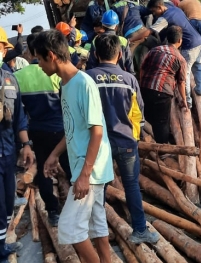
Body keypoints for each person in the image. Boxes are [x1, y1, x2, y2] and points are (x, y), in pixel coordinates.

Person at [36, 30, 113, 263]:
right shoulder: (66, 84)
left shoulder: (83, 83)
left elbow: (96, 131)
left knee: (70, 227)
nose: (38, 65)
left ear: (50, 55)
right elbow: (73, 128)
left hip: (91, 170)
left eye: (39, 59)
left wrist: (84, 175)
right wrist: (54, 155)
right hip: (87, 168)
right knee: (97, 225)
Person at [85, 34, 160, 244]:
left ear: (96, 54)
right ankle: (140, 230)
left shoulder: (87, 78)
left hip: (98, 145)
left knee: (99, 188)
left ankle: (98, 235)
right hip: (126, 142)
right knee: (132, 186)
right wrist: (134, 138)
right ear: (119, 55)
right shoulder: (129, 79)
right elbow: (138, 114)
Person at [14, 33, 72, 227]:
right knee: (72, 169)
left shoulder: (17, 78)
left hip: (37, 131)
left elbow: (19, 112)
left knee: (44, 172)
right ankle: (78, 205)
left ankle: (53, 212)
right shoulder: (55, 72)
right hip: (62, 131)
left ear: (29, 53)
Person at [0, 26, 34, 263]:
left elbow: (19, 115)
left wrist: (26, 145)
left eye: (1, 47)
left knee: (8, 202)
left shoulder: (10, 79)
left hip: (8, 152)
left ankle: (1, 245)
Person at [129, 0, 201, 108]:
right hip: (198, 40)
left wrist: (132, 39)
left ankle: (187, 102)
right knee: (197, 68)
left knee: (184, 75)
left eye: (154, 11)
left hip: (189, 46)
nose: (154, 14)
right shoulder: (175, 9)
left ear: (159, 7)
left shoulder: (164, 18)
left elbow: (148, 32)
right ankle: (199, 90)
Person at [140, 25, 188, 144]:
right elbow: (181, 82)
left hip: (145, 88)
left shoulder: (155, 50)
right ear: (180, 41)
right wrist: (184, 100)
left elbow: (142, 68)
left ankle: (146, 138)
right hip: (163, 92)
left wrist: (142, 83)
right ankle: (162, 149)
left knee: (147, 115)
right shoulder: (180, 59)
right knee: (162, 122)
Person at [86, 10, 135, 75]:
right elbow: (129, 64)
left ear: (103, 26)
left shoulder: (96, 40)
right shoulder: (124, 41)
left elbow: (92, 64)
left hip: (100, 78)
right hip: (120, 79)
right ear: (116, 27)